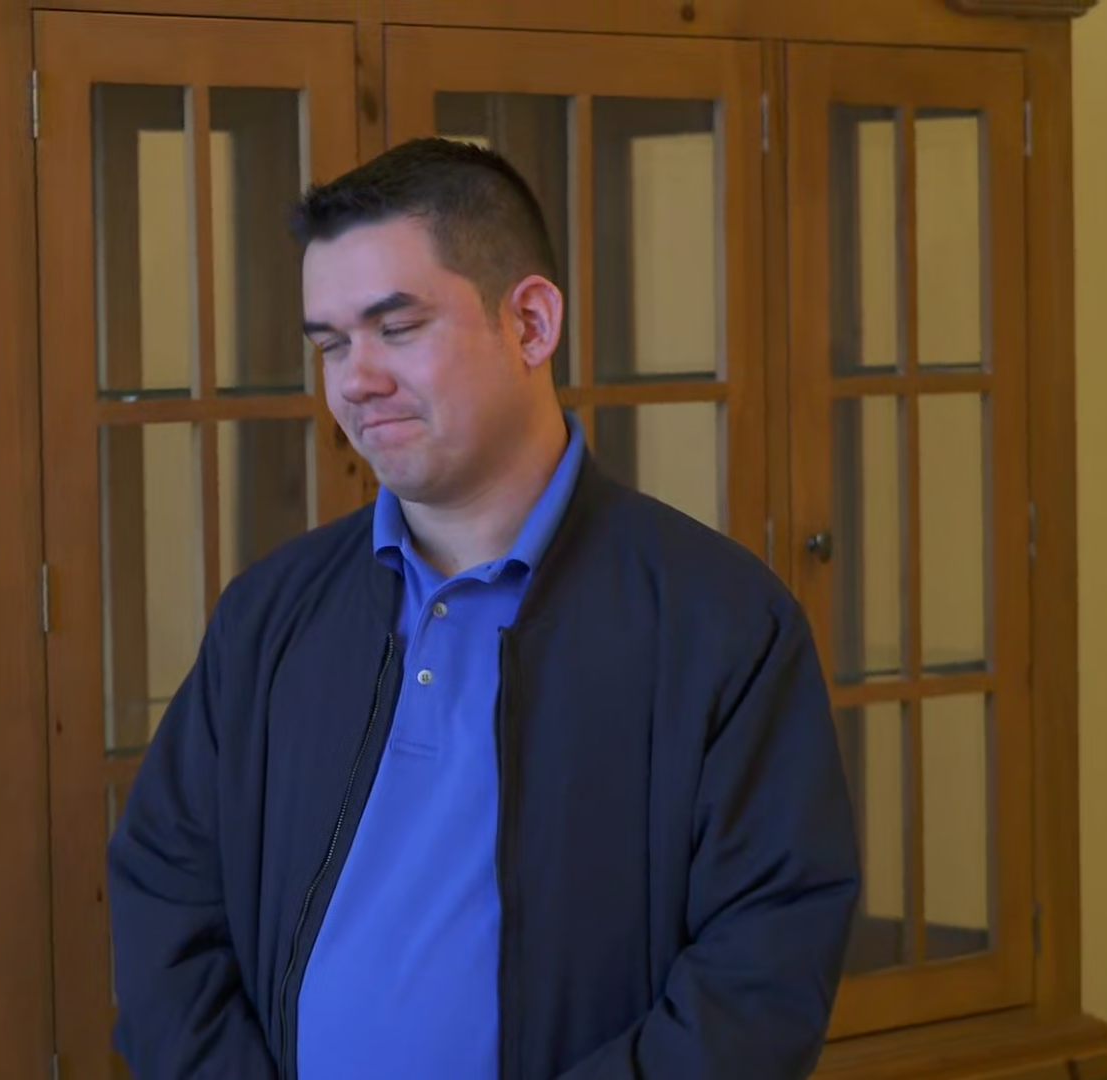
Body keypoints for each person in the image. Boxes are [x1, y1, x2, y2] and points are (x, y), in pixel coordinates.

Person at [106, 137, 860, 1080]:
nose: (355, 379)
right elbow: (165, 899)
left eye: (397, 326)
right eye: (331, 343)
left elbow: (762, 968)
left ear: (532, 324)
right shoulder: (268, 616)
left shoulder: (723, 625)